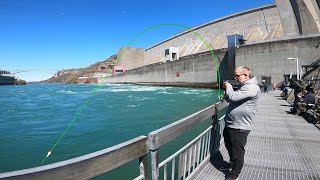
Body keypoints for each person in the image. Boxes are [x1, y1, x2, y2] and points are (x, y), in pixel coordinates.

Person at [222, 66, 260, 180]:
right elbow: (229, 99)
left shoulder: (252, 87)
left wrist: (229, 87)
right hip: (231, 123)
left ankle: (234, 175)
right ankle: (232, 165)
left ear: (246, 75)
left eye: (238, 75)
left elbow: (233, 97)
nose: (236, 78)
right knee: (229, 146)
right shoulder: (243, 86)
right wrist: (226, 91)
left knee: (238, 151)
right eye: (235, 75)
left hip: (240, 126)